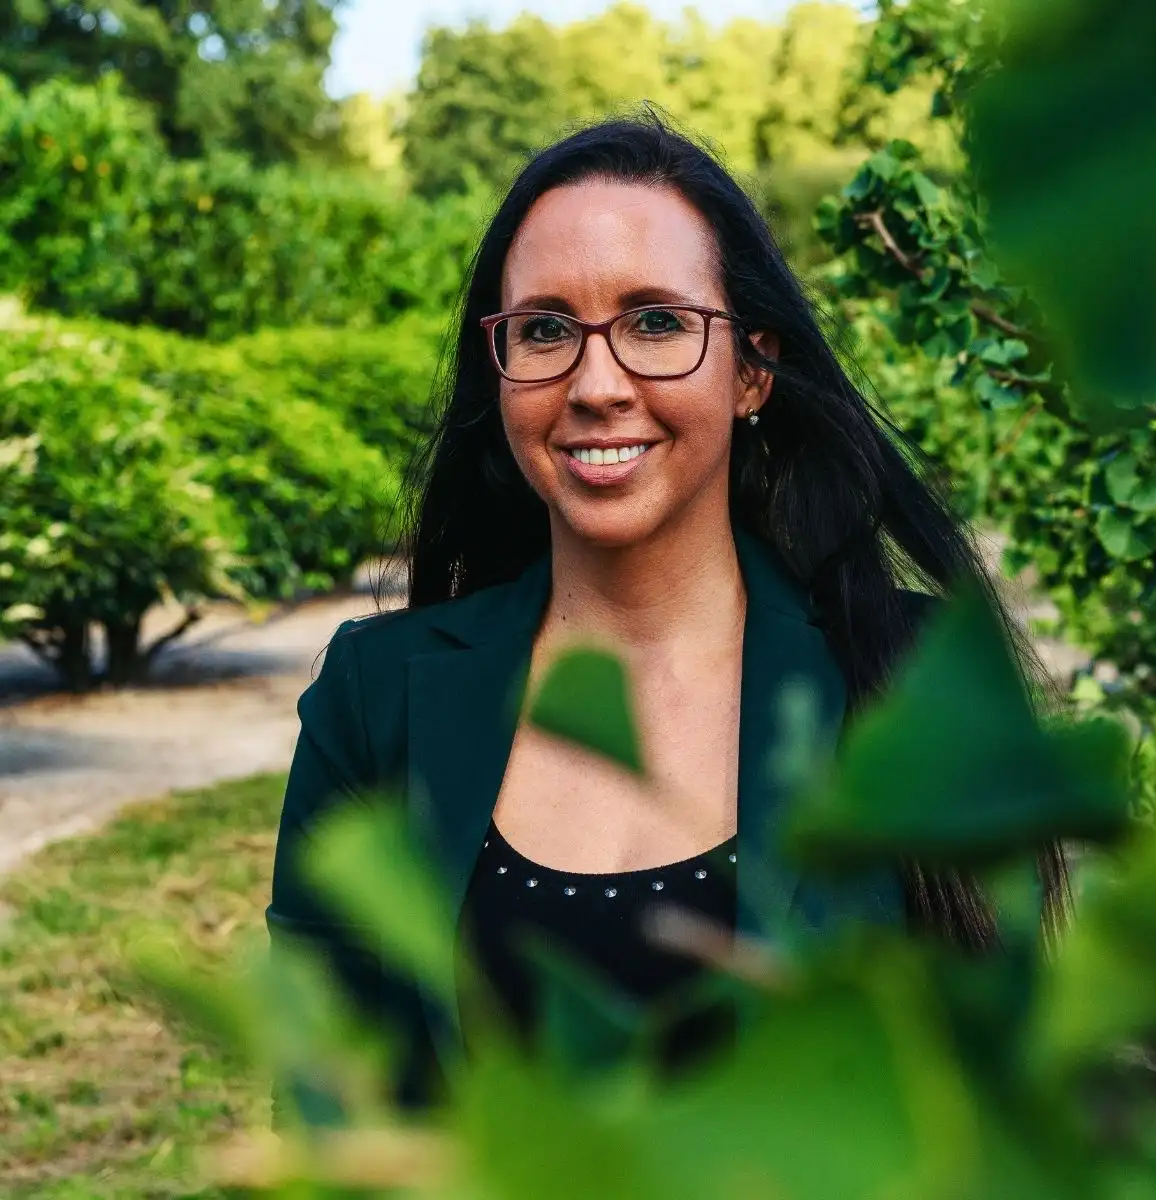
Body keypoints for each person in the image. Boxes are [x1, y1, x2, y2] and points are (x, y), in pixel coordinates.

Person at [266, 112, 1069, 1126]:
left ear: (752, 371)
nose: (597, 385)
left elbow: (989, 1106)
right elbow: (326, 1103)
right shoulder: (376, 696)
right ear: (500, 368)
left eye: (655, 322)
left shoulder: (914, 683)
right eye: (546, 329)